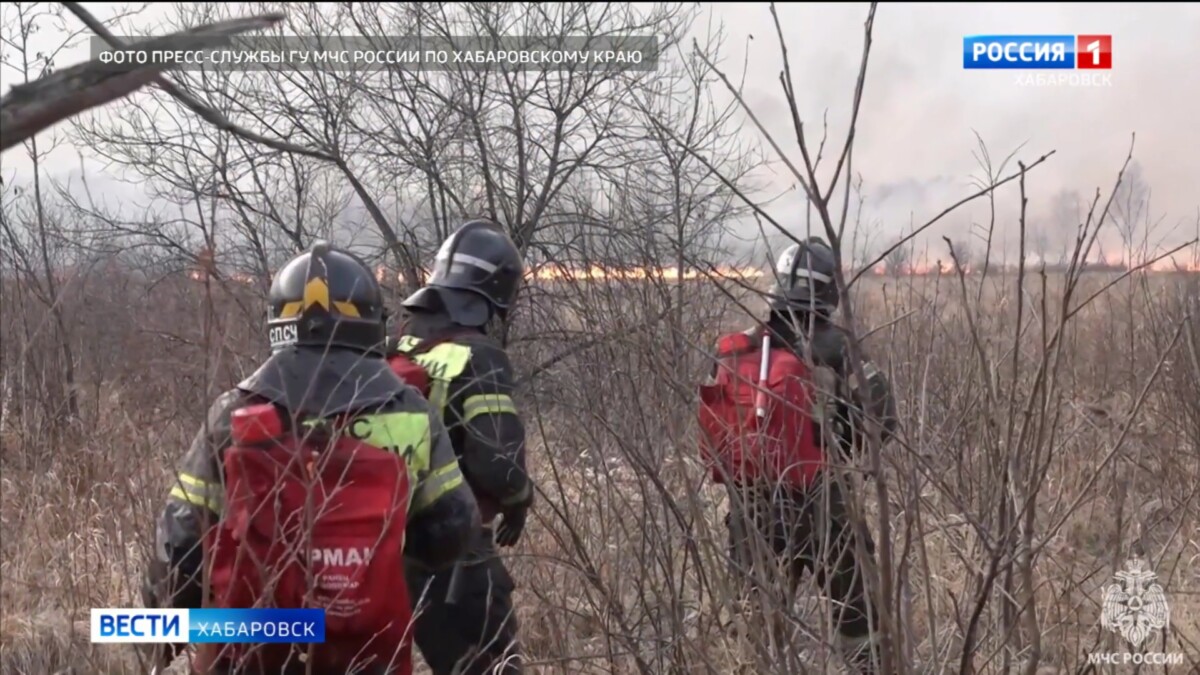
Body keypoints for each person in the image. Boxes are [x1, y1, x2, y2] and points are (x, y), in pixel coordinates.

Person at [142, 241, 480, 675]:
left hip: (253, 649)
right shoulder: (411, 412)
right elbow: (453, 529)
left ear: (280, 324)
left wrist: (158, 648)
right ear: (370, 322)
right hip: (368, 649)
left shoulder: (233, 414)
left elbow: (181, 546)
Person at [699, 236, 898, 674]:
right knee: (860, 623)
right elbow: (883, 424)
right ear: (828, 291)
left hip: (751, 507)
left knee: (754, 638)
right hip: (826, 504)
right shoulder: (839, 349)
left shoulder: (740, 348)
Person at [388, 219, 534, 675]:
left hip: (389, 550)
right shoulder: (479, 355)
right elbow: (498, 465)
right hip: (456, 554)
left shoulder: (397, 347)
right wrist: (518, 500)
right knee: (492, 667)